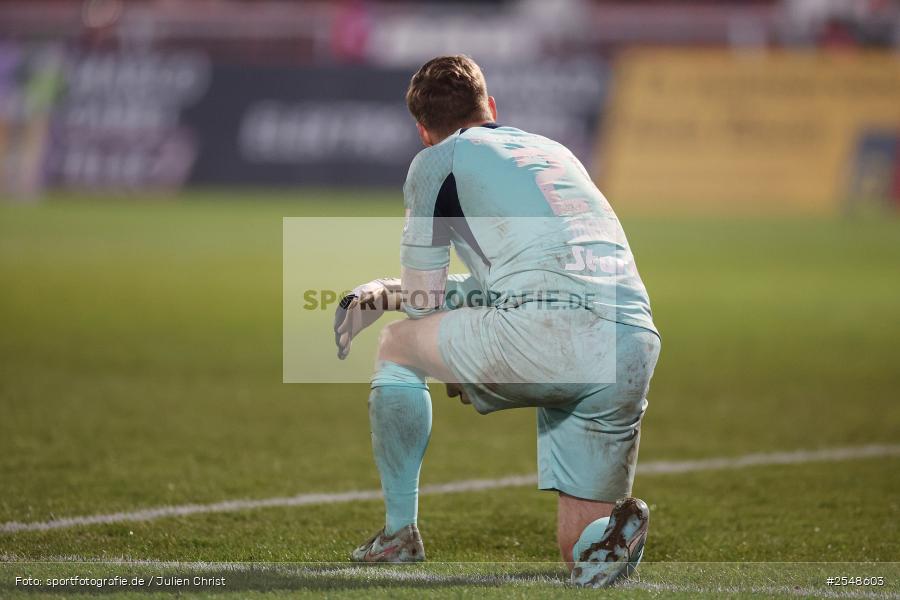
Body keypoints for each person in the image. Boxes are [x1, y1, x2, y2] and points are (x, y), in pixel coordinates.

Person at [333, 55, 660, 588]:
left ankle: (398, 535)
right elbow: (527, 278)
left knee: (397, 345)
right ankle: (609, 537)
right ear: (491, 107)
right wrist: (388, 294)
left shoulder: (437, 162)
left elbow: (424, 304)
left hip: (550, 332)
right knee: (579, 553)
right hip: (631, 339)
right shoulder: (554, 152)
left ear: (423, 131)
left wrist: (437, 348)